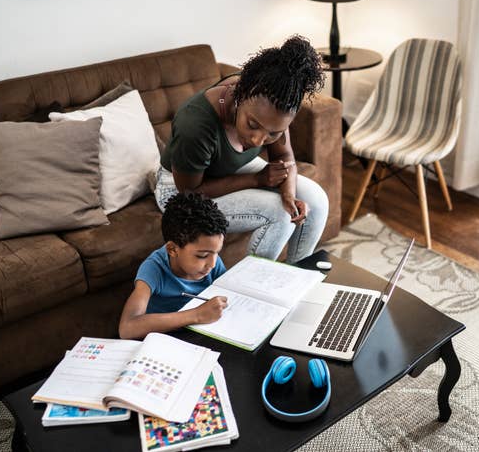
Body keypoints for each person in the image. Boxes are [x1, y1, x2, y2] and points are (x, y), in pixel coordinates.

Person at [154, 35, 329, 264]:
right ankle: (250, 291)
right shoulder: (195, 125)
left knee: (316, 200)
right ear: (240, 96)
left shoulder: (273, 103)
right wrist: (257, 180)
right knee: (279, 215)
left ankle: (298, 274)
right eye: (252, 125)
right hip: (179, 191)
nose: (258, 140)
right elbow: (189, 192)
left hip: (232, 170)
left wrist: (288, 194)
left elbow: (285, 158)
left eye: (273, 133)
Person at [119, 193, 229, 340]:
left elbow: (229, 294)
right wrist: (196, 315)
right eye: (202, 256)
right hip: (166, 338)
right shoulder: (153, 269)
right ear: (172, 249)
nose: (213, 264)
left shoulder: (211, 261)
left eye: (216, 253)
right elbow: (127, 329)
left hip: (204, 331)